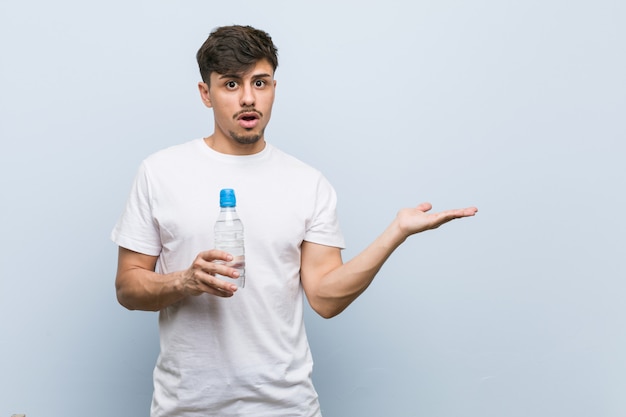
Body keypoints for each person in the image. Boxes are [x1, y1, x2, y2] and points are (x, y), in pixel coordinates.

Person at [111, 24, 477, 417]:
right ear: (206, 94)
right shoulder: (161, 172)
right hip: (188, 407)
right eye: (231, 84)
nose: (248, 98)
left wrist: (396, 233)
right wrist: (184, 280)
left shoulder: (308, 183)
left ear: (274, 87)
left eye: (260, 82)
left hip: (286, 407)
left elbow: (324, 297)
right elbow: (128, 287)